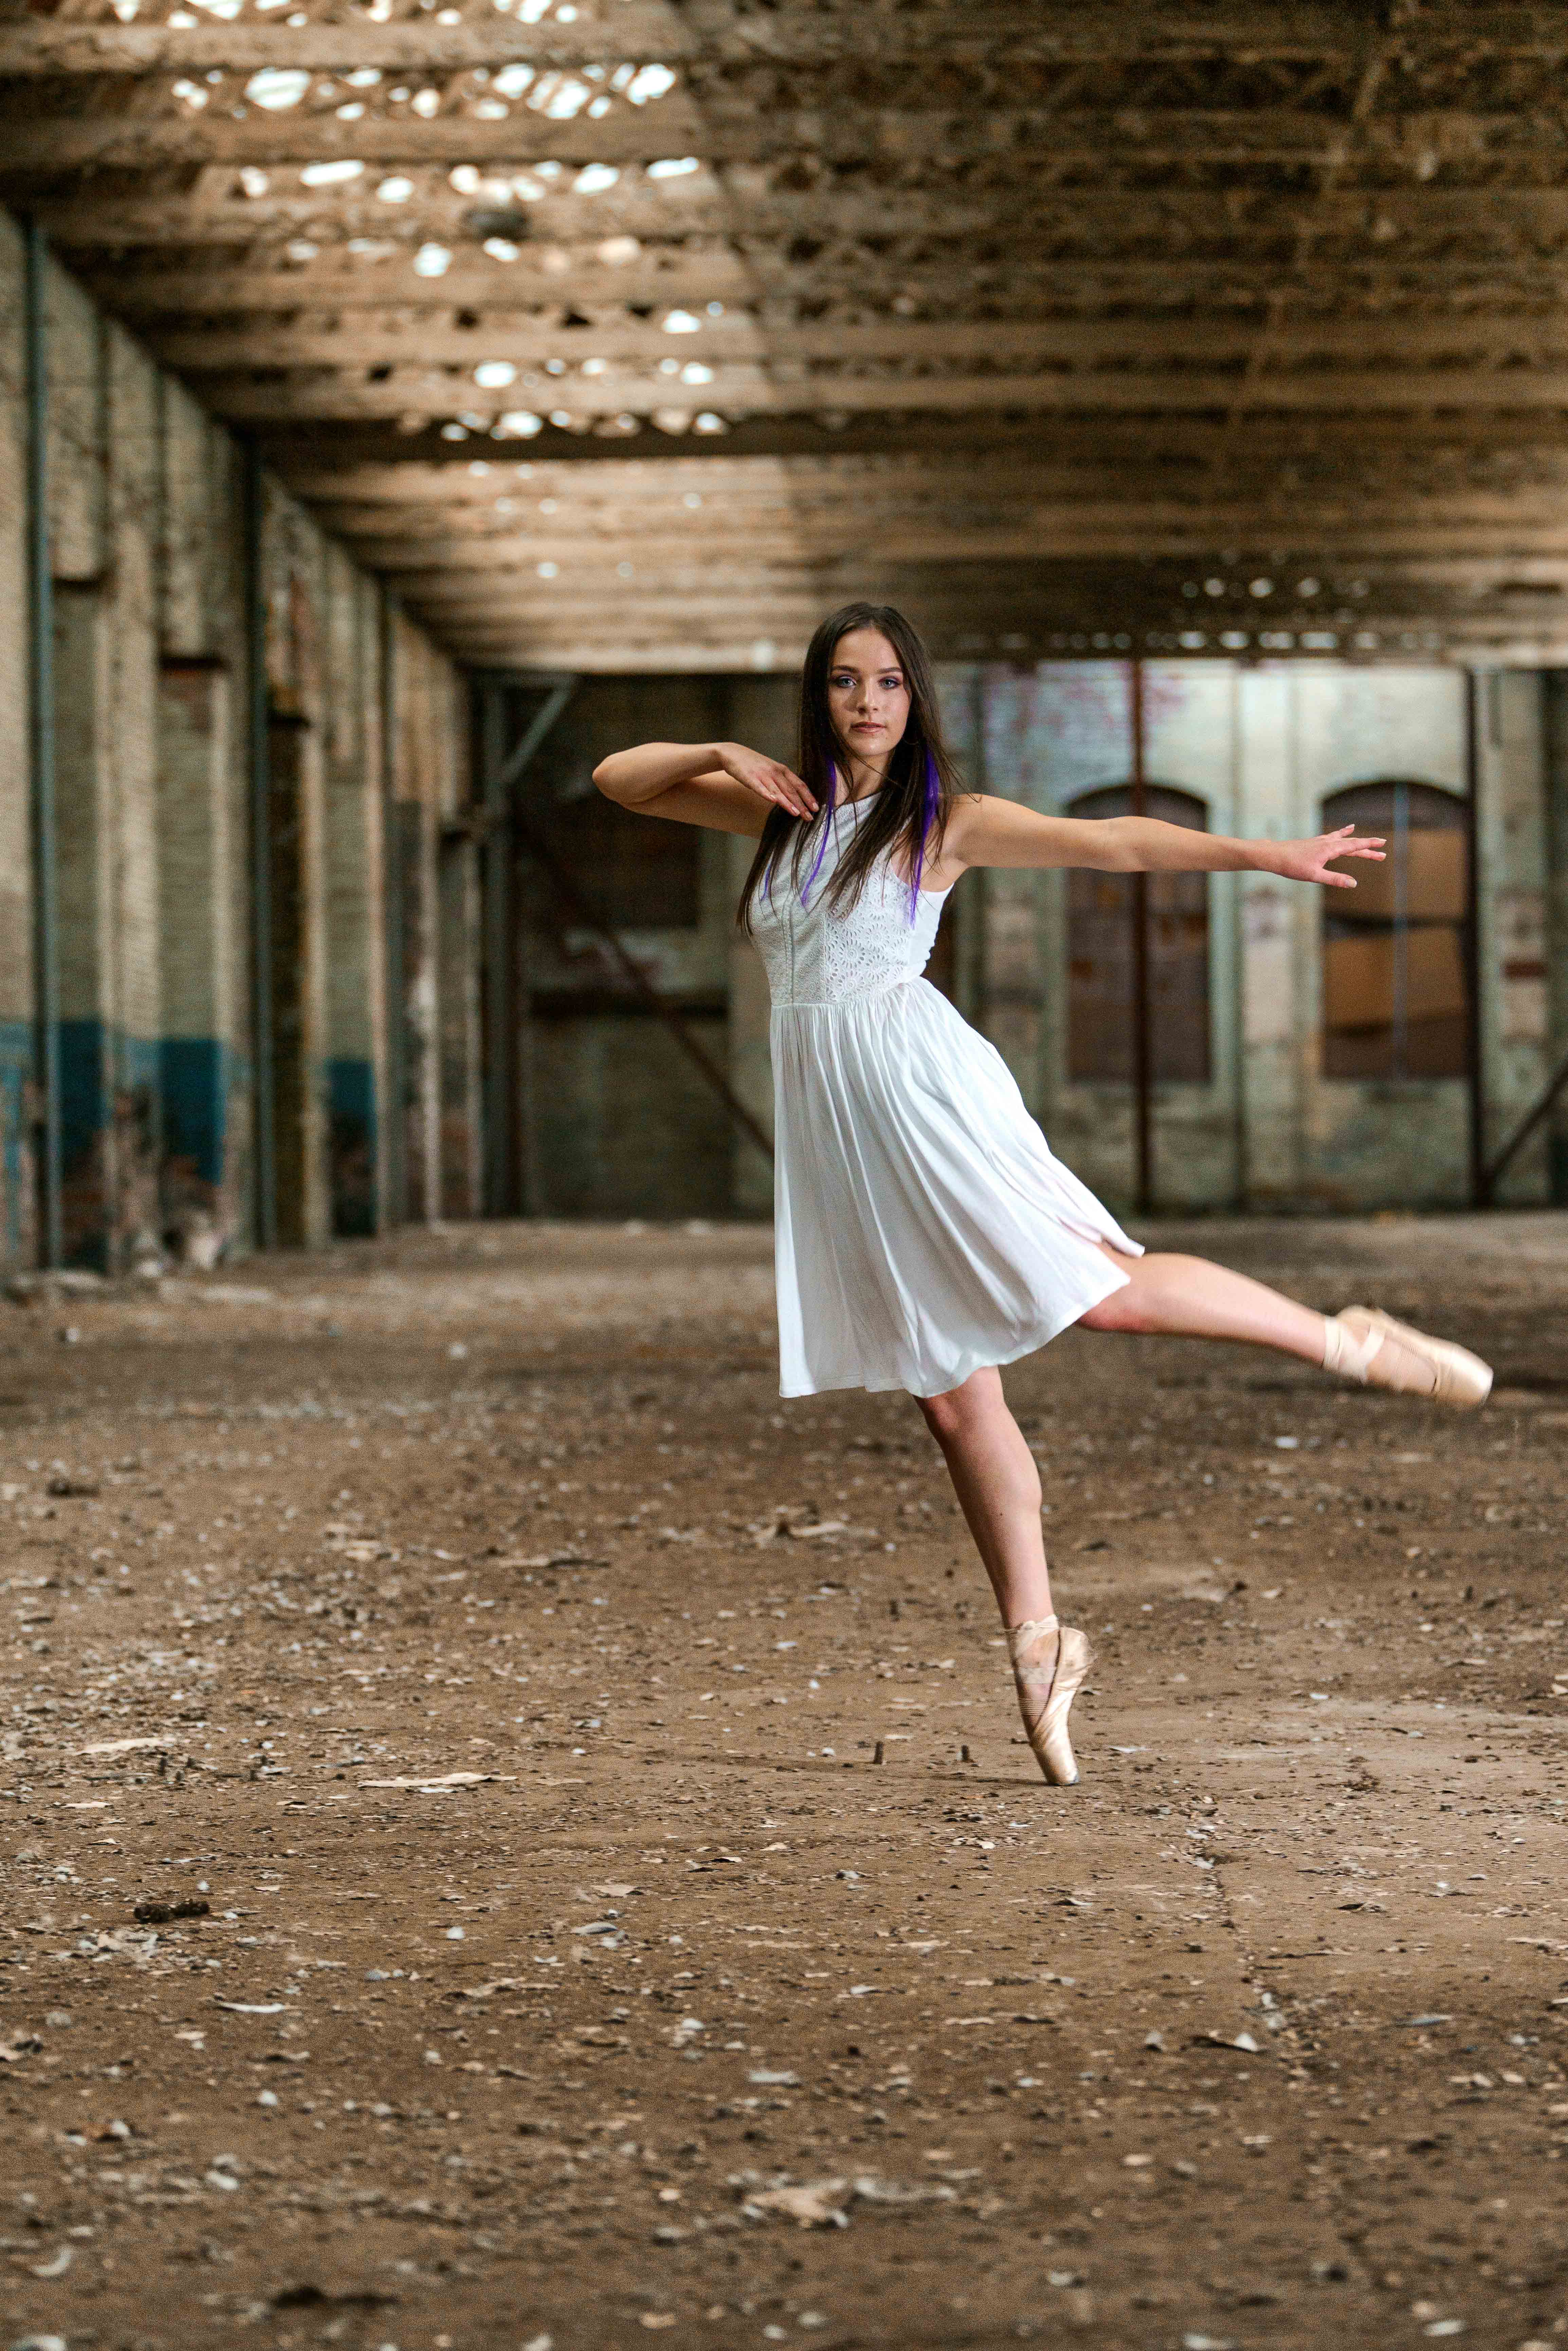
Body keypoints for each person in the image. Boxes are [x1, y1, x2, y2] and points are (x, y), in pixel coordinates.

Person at [592, 602, 1492, 1787]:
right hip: (836, 1127)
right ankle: (1038, 1640)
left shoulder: (942, 822)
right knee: (948, 1391)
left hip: (920, 1093)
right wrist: (722, 751)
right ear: (818, 696)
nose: (867, 703)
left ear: (915, 698)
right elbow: (618, 779)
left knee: (1097, 1290)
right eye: (846, 681)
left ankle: (1343, 1338)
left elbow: (1113, 841)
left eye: (889, 683)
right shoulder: (778, 810)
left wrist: (1262, 854)